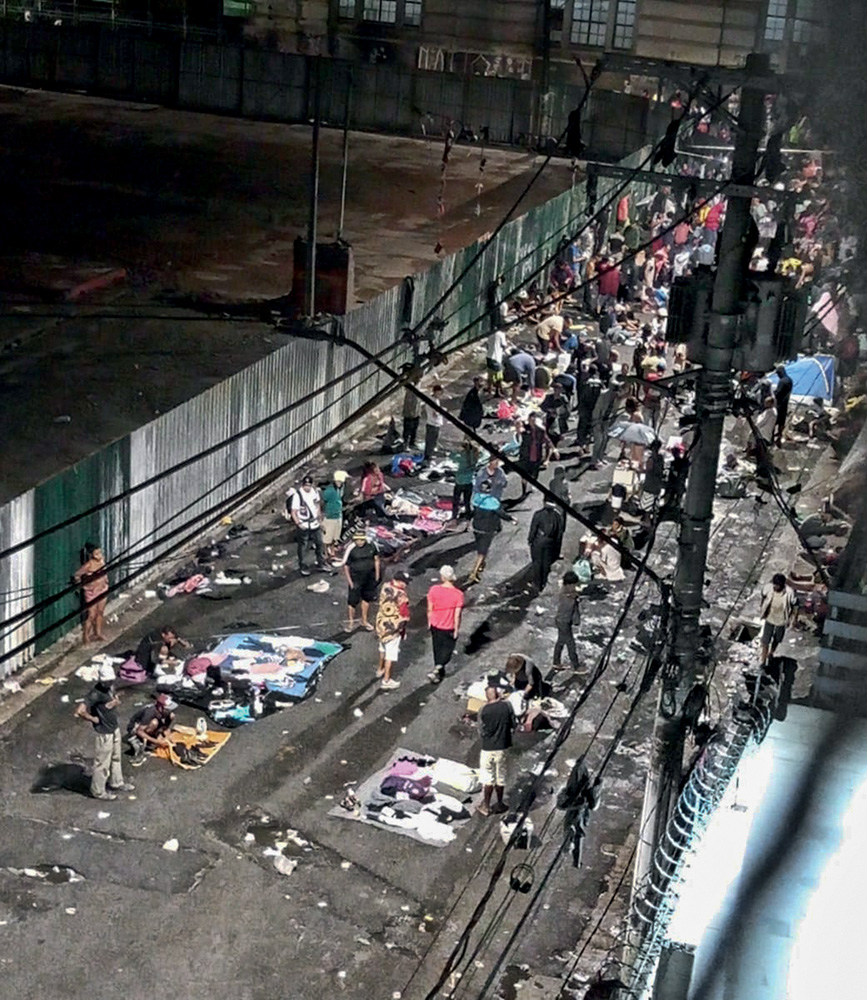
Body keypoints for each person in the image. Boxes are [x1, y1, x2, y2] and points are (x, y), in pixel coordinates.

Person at [74, 664, 133, 801]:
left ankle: (117, 782)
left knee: (116, 757)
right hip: (104, 731)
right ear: (101, 680)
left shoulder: (110, 688)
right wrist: (93, 719)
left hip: (114, 728)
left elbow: (108, 703)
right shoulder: (95, 694)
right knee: (102, 763)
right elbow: (79, 711)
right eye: (107, 681)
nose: (110, 683)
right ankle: (98, 791)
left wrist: (114, 701)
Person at [477, 687, 514, 816]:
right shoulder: (507, 706)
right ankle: (499, 804)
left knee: (488, 778)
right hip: (502, 747)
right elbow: (513, 724)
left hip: (487, 748)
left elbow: (481, 731)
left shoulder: (483, 710)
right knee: (500, 777)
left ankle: (486, 806)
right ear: (498, 694)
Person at [469, 481, 514, 583]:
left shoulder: (476, 498)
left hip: (476, 527)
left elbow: (473, 511)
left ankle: (481, 565)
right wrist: (511, 519)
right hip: (487, 529)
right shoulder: (492, 502)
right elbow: (501, 513)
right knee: (482, 552)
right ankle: (474, 572)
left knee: (480, 547)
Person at [426, 565, 464, 684]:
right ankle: (438, 668)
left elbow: (430, 609)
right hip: (448, 626)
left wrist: (429, 622)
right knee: (448, 649)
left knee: (437, 648)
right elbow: (457, 614)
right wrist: (457, 629)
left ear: (443, 577)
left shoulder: (434, 590)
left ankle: (438, 670)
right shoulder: (458, 594)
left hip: (435, 624)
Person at [375, 571, 411, 691]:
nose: (406, 585)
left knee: (382, 648)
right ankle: (386, 680)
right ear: (399, 581)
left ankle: (380, 669)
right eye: (404, 582)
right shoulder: (401, 595)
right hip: (392, 628)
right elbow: (404, 614)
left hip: (381, 623)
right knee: (390, 654)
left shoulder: (385, 586)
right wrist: (403, 630)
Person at [289, 475, 329, 577]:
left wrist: (320, 519)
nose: (307, 487)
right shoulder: (298, 496)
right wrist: (298, 523)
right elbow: (294, 512)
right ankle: (303, 565)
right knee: (303, 546)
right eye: (306, 485)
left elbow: (317, 505)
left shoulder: (314, 492)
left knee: (319, 543)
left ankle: (321, 563)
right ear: (303, 485)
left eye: (309, 485)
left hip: (315, 523)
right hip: (304, 524)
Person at [342, 529, 381, 631]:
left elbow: (376, 560)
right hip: (356, 579)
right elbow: (346, 566)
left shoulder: (372, 546)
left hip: (369, 578)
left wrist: (377, 575)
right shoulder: (351, 549)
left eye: (361, 540)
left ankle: (364, 620)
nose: (359, 542)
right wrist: (350, 582)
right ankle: (351, 623)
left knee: (366, 599)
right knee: (352, 602)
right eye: (357, 540)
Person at [127, 693, 177, 766]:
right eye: (167, 709)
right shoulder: (150, 712)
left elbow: (166, 723)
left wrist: (165, 734)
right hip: (136, 728)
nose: (169, 711)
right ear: (160, 707)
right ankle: (140, 740)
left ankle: (154, 736)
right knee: (154, 723)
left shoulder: (164, 712)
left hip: (149, 724)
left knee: (171, 716)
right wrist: (156, 741)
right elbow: (139, 731)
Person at [759, 572, 798, 666]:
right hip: (770, 617)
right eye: (774, 585)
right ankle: (763, 661)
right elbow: (763, 597)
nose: (775, 587)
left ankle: (771, 653)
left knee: (777, 638)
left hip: (782, 620)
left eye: (777, 585)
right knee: (765, 640)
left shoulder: (789, 593)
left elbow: (795, 605)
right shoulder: (768, 589)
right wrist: (762, 608)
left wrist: (794, 619)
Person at [73, 542, 108, 645]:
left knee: (100, 612)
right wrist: (81, 582)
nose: (99, 555)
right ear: (91, 555)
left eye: (100, 553)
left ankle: (98, 633)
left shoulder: (102, 561)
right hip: (92, 592)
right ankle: (86, 636)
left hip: (103, 589)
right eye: (96, 554)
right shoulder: (88, 565)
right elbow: (77, 575)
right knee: (92, 615)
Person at [518, 413, 555, 499]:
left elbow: (547, 440)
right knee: (524, 475)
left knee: (535, 473)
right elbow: (519, 429)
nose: (532, 422)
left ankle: (533, 484)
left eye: (534, 420)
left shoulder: (540, 430)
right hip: (525, 455)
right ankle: (523, 492)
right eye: (531, 420)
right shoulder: (525, 428)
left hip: (536, 455)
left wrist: (552, 451)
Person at [527, 498, 561, 591]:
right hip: (550, 542)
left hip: (538, 541)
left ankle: (537, 583)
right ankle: (544, 582)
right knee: (546, 562)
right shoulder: (557, 516)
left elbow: (533, 528)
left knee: (537, 562)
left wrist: (530, 539)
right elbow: (559, 533)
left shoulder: (538, 514)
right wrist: (557, 546)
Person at [553, 571, 581, 670]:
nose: (575, 586)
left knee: (560, 641)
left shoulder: (567, 591)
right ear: (569, 584)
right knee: (570, 644)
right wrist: (575, 599)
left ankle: (556, 662)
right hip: (564, 622)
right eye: (573, 584)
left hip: (562, 621)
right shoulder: (566, 596)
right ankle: (576, 666)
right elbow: (570, 608)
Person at [321, 470, 348, 560]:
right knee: (327, 538)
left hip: (338, 516)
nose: (339, 483)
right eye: (338, 481)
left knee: (335, 537)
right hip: (330, 517)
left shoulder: (340, 489)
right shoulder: (329, 491)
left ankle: (332, 552)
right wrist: (321, 516)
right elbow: (322, 503)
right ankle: (325, 554)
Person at [453, 438, 480, 522]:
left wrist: (456, 451)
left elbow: (451, 456)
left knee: (456, 501)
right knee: (467, 501)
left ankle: (454, 517)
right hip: (469, 482)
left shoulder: (462, 456)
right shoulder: (475, 455)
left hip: (459, 481)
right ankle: (468, 517)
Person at [541, 382, 571, 448]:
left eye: (559, 389)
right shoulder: (549, 397)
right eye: (556, 389)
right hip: (550, 419)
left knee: (558, 436)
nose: (558, 391)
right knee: (550, 436)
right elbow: (542, 406)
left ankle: (555, 450)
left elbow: (568, 410)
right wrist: (549, 410)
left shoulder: (564, 398)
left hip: (560, 420)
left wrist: (560, 414)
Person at [423, 384, 445, 463]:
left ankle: (428, 454)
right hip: (434, 423)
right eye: (440, 392)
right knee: (431, 440)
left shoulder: (431, 399)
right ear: (436, 392)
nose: (441, 394)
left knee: (430, 440)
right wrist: (442, 411)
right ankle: (428, 456)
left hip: (431, 422)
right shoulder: (434, 401)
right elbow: (435, 414)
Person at [772, 364, 793, 447]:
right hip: (785, 404)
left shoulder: (782, 381)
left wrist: (772, 395)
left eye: (778, 374)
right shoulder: (789, 380)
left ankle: (771, 438)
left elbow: (778, 393)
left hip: (779, 404)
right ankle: (779, 438)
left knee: (774, 421)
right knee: (781, 422)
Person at [486, 327, 508, 396]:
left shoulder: (491, 334)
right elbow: (504, 346)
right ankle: (497, 392)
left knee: (490, 375)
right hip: (497, 358)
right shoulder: (502, 334)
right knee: (499, 377)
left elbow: (487, 345)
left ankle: (489, 390)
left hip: (489, 357)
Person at [402, 381, 421, 449]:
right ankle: (405, 444)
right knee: (407, 429)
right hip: (410, 412)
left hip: (416, 411)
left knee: (414, 429)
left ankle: (412, 443)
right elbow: (409, 401)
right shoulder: (410, 385)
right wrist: (411, 412)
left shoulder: (418, 383)